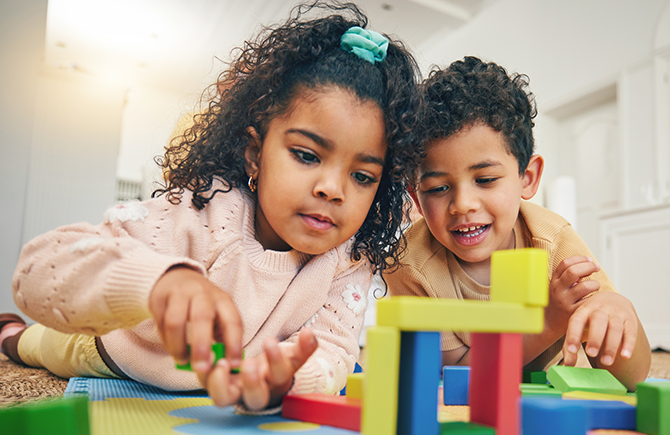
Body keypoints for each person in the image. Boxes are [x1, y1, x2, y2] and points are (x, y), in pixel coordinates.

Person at [0, 1, 422, 412]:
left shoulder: (350, 258)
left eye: (363, 176)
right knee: (33, 345)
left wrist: (284, 380)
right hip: (112, 350)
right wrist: (158, 283)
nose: (333, 189)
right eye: (307, 155)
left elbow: (333, 350)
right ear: (255, 153)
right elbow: (38, 270)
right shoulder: (202, 209)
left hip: (217, 385)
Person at [386, 56, 650, 391]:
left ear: (527, 177)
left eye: (485, 179)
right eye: (438, 188)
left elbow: (631, 379)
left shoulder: (553, 241)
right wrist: (547, 323)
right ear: (416, 196)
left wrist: (617, 310)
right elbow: (453, 379)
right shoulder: (409, 263)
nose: (463, 205)